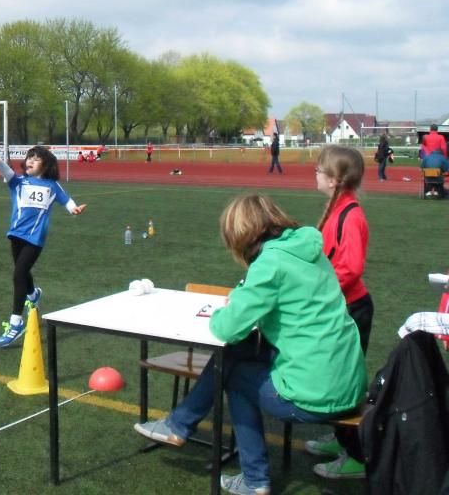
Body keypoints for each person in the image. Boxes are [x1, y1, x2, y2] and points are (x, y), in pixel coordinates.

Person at [133, 193, 366, 495]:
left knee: (233, 376)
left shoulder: (270, 262)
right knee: (236, 354)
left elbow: (226, 328)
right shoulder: (306, 250)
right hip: (348, 381)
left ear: (241, 234)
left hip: (317, 392)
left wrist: (226, 310)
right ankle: (179, 425)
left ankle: (253, 478)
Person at [305, 145, 373, 479]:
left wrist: (321, 291)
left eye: (319, 170)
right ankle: (341, 437)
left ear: (333, 179)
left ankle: (358, 455)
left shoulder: (351, 215)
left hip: (351, 309)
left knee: (344, 382)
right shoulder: (338, 209)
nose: (315, 175)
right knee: (335, 376)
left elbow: (351, 268)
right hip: (341, 307)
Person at [0, 146, 87, 348]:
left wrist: (74, 209)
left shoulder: (52, 185)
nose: (30, 160)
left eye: (36, 158)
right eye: (29, 157)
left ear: (46, 165)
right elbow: (6, 172)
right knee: (22, 272)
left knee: (19, 274)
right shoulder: (19, 181)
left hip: (35, 238)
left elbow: (66, 200)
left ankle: (16, 322)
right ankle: (33, 294)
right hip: (16, 234)